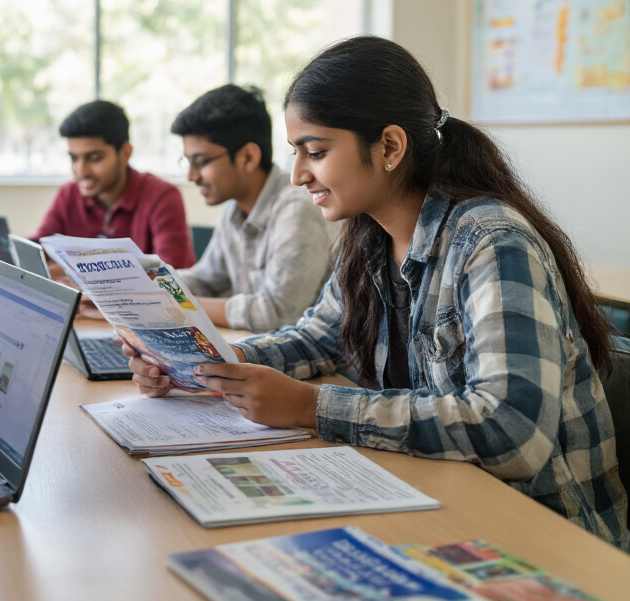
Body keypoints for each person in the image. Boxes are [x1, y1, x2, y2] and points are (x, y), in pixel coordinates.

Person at [128, 36, 628, 549]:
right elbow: (318, 341)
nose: (299, 175)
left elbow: (513, 429)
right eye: (296, 154)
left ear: (390, 147)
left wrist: (311, 407)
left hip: (548, 538)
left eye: (316, 152)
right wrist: (203, 361)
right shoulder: (367, 238)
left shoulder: (492, 243)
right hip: (437, 502)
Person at [172, 84, 336, 331]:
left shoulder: (298, 208)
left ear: (248, 157)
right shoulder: (234, 210)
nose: (191, 177)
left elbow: (278, 313)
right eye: (188, 162)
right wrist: (137, 290)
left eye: (201, 161)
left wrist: (179, 306)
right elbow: (207, 280)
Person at [33, 99, 196, 268]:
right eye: (74, 158)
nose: (81, 171)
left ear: (125, 153)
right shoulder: (68, 193)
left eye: (94, 158)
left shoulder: (162, 196)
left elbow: (173, 271)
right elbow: (37, 249)